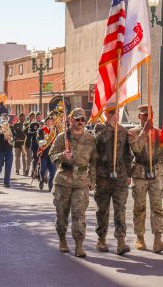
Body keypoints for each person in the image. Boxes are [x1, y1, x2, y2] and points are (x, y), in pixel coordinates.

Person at [49, 108, 98, 258]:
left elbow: (94, 161)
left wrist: (93, 180)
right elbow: (51, 155)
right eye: (77, 119)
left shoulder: (90, 139)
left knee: (79, 215)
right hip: (64, 180)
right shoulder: (62, 137)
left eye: (83, 119)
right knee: (62, 214)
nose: (80, 122)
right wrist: (62, 155)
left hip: (81, 181)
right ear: (71, 120)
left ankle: (79, 245)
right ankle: (62, 240)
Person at [128, 104, 163, 253]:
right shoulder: (133, 133)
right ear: (139, 117)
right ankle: (140, 238)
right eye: (144, 115)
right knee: (139, 207)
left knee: (157, 207)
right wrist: (144, 132)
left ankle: (158, 240)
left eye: (149, 115)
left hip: (156, 173)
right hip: (140, 173)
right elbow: (136, 149)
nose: (146, 118)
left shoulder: (158, 133)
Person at [93, 109, 132, 255]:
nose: (114, 115)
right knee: (102, 210)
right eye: (110, 113)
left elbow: (127, 154)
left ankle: (121, 241)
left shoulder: (123, 131)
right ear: (105, 115)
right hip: (103, 176)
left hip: (120, 176)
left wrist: (129, 173)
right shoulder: (100, 128)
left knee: (120, 209)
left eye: (115, 112)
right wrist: (110, 125)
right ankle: (101, 239)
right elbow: (100, 140)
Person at [37, 116, 57, 191]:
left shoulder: (54, 130)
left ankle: (50, 186)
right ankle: (41, 180)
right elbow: (38, 138)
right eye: (47, 121)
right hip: (44, 153)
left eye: (50, 121)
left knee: (52, 171)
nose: (49, 122)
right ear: (45, 122)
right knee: (43, 170)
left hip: (52, 153)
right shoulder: (41, 130)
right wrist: (40, 141)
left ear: (52, 122)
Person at [0, 115, 14, 187]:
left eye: (6, 120)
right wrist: (0, 133)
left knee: (8, 166)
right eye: (3, 120)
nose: (5, 122)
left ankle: (6, 182)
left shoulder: (11, 127)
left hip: (9, 149)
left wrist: (11, 138)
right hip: (1, 149)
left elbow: (15, 135)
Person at [28, 113, 41, 179]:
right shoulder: (33, 124)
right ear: (36, 117)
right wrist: (36, 132)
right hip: (34, 145)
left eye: (40, 116)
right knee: (35, 159)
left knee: (41, 160)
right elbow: (29, 133)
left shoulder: (43, 124)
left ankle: (39, 173)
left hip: (42, 145)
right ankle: (34, 172)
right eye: (38, 116)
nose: (39, 117)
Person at [22, 112, 35, 177]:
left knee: (34, 158)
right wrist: (30, 124)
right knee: (29, 158)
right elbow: (24, 131)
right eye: (31, 116)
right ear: (29, 116)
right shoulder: (26, 123)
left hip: (35, 142)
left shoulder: (36, 124)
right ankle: (27, 169)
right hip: (28, 142)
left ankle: (33, 171)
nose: (32, 117)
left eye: (33, 116)